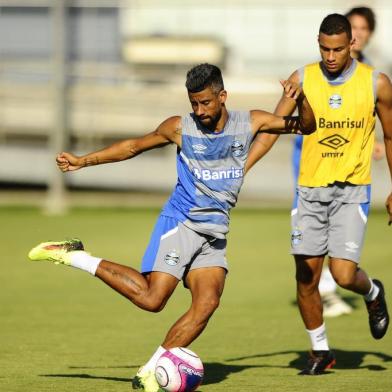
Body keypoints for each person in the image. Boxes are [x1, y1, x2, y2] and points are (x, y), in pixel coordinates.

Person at [28, 63, 316, 391]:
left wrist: (303, 100)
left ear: (223, 97)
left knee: (207, 303)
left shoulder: (251, 122)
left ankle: (151, 372)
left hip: (215, 233)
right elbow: (133, 146)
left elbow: (307, 126)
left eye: (206, 102)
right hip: (181, 224)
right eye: (194, 103)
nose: (199, 110)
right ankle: (74, 255)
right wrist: (83, 161)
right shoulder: (180, 128)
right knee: (153, 300)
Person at [246, 14, 392, 375]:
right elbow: (269, 128)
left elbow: (390, 136)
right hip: (309, 192)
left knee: (343, 275)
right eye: (325, 49)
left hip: (352, 191)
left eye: (338, 49)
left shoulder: (376, 83)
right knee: (307, 278)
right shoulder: (302, 78)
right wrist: (241, 167)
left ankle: (372, 292)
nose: (330, 56)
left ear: (352, 45)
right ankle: (321, 350)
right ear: (318, 43)